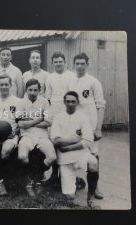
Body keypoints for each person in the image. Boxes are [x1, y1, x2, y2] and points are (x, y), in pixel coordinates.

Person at [50, 91, 100, 208]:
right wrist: (74, 139)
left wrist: (67, 147)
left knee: (93, 162)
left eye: (73, 101)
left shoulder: (82, 117)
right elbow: (55, 140)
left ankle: (90, 197)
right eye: (68, 101)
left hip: (80, 154)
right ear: (64, 102)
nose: (70, 104)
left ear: (77, 102)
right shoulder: (58, 117)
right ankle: (75, 182)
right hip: (65, 160)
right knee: (70, 198)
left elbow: (88, 140)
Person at [68, 53, 106, 199]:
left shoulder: (93, 82)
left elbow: (100, 105)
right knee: (74, 153)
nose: (79, 66)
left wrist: (98, 128)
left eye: (82, 63)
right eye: (77, 63)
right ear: (74, 64)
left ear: (87, 64)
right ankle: (73, 181)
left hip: (90, 124)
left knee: (93, 154)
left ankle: (95, 186)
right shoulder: (70, 81)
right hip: (75, 124)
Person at [17, 78, 56, 197]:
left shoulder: (44, 102)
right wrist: (39, 118)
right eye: (30, 90)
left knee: (52, 157)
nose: (32, 92)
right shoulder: (21, 102)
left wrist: (30, 121)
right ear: (26, 90)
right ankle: (30, 179)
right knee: (22, 156)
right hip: (27, 135)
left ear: (39, 90)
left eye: (35, 90)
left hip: (42, 135)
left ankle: (36, 177)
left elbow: (48, 122)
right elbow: (20, 124)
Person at [0, 74, 22, 196]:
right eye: (2, 84)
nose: (4, 87)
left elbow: (20, 122)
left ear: (11, 85)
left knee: (5, 150)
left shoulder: (18, 101)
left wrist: (15, 133)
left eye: (6, 84)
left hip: (10, 134)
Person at [43, 52, 76, 187]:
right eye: (55, 62)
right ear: (53, 63)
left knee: (66, 144)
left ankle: (66, 177)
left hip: (67, 113)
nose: (58, 64)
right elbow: (48, 98)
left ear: (65, 62)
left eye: (60, 61)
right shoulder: (50, 77)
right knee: (55, 143)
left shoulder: (72, 76)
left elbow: (74, 97)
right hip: (54, 113)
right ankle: (53, 176)